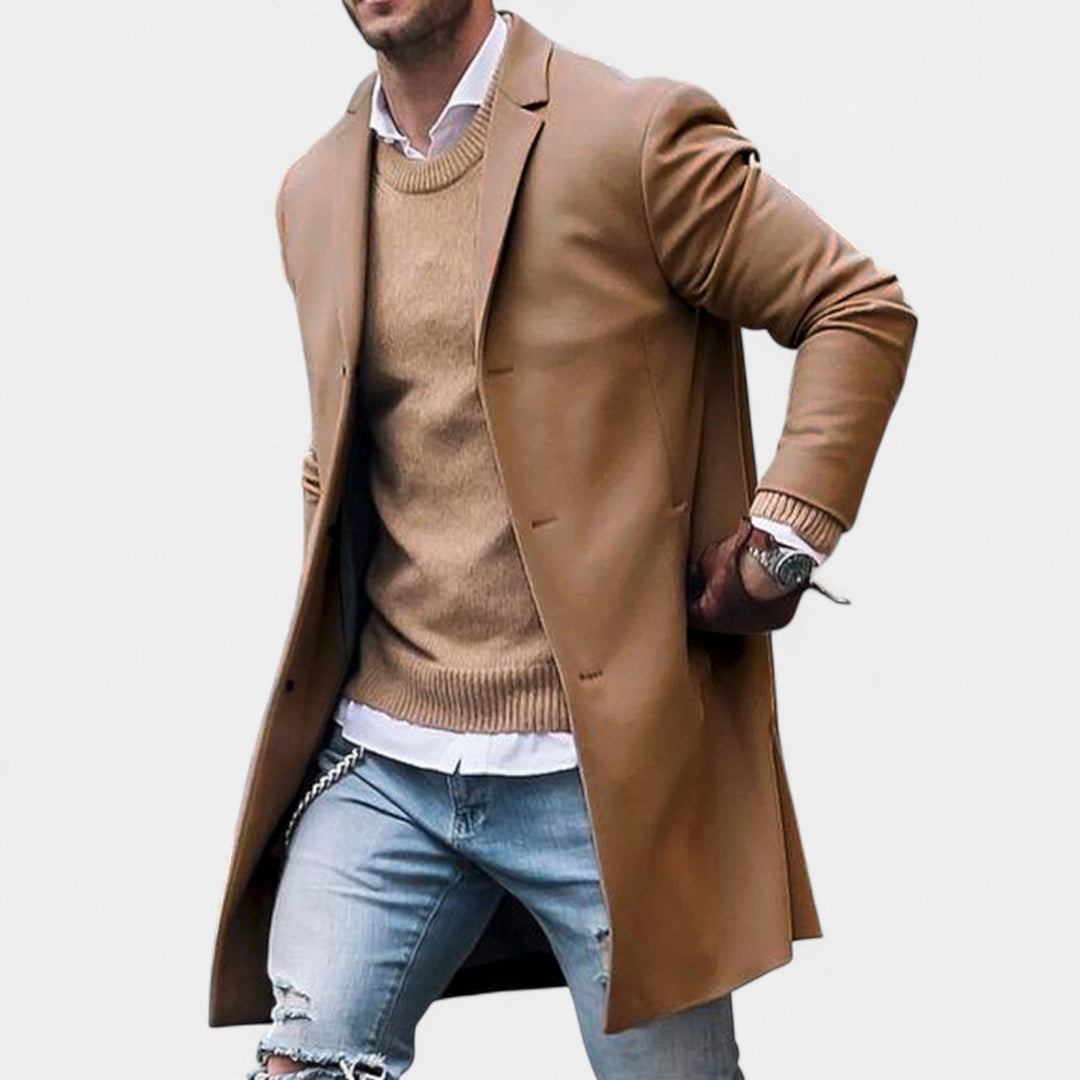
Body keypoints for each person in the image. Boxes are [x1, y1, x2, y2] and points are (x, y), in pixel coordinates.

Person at [209, 3, 918, 1077]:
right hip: (385, 761)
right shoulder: (315, 191)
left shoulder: (631, 137)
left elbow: (854, 307)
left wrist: (784, 541)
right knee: (302, 1061)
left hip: (600, 777)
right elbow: (344, 456)